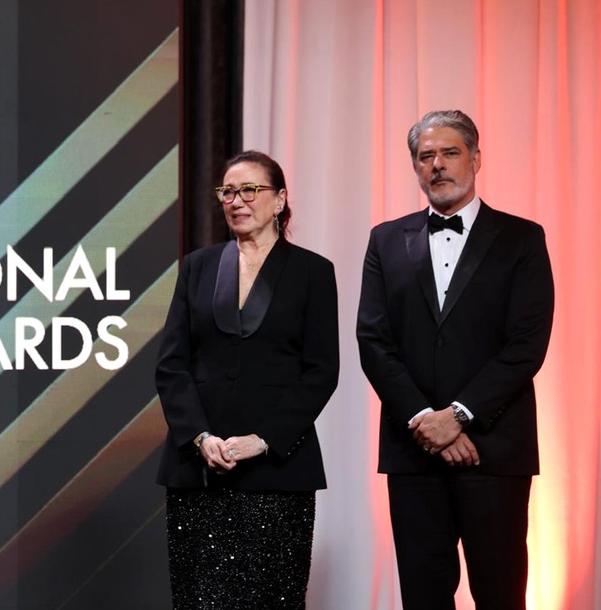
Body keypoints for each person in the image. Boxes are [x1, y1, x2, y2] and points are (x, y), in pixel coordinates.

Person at [356, 110, 554, 609]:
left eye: (450, 153)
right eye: (426, 156)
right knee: (423, 596)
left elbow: (526, 345)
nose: (437, 165)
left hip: (495, 450)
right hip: (413, 451)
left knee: (500, 594)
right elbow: (373, 341)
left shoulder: (523, 238)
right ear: (415, 167)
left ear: (476, 159)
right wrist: (426, 420)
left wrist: (459, 415)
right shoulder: (385, 239)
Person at [155, 150, 339, 609]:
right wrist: (200, 437)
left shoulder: (313, 272)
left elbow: (321, 372)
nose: (237, 201)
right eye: (228, 192)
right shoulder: (198, 266)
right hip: (200, 472)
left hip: (277, 472)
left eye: (250, 190)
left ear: (279, 200)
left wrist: (263, 440)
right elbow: (171, 364)